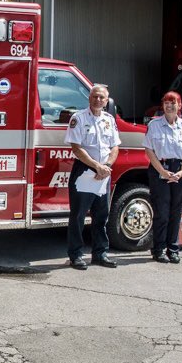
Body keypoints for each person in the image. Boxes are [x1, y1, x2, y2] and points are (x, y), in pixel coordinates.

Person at [65, 84, 120, 270]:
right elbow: (76, 147)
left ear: (106, 101)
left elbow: (115, 146)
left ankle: (100, 253)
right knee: (78, 216)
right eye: (95, 96)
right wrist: (96, 166)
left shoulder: (109, 120)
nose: (98, 100)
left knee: (101, 216)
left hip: (104, 172)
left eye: (101, 97)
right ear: (89, 98)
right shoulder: (78, 118)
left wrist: (107, 166)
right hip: (85, 172)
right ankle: (75, 255)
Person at [143, 91, 182, 263]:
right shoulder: (154, 125)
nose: (169, 106)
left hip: (179, 171)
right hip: (160, 168)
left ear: (179, 105)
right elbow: (149, 150)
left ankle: (173, 249)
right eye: (166, 102)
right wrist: (162, 172)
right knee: (162, 212)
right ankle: (158, 249)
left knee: (176, 212)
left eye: (173, 103)